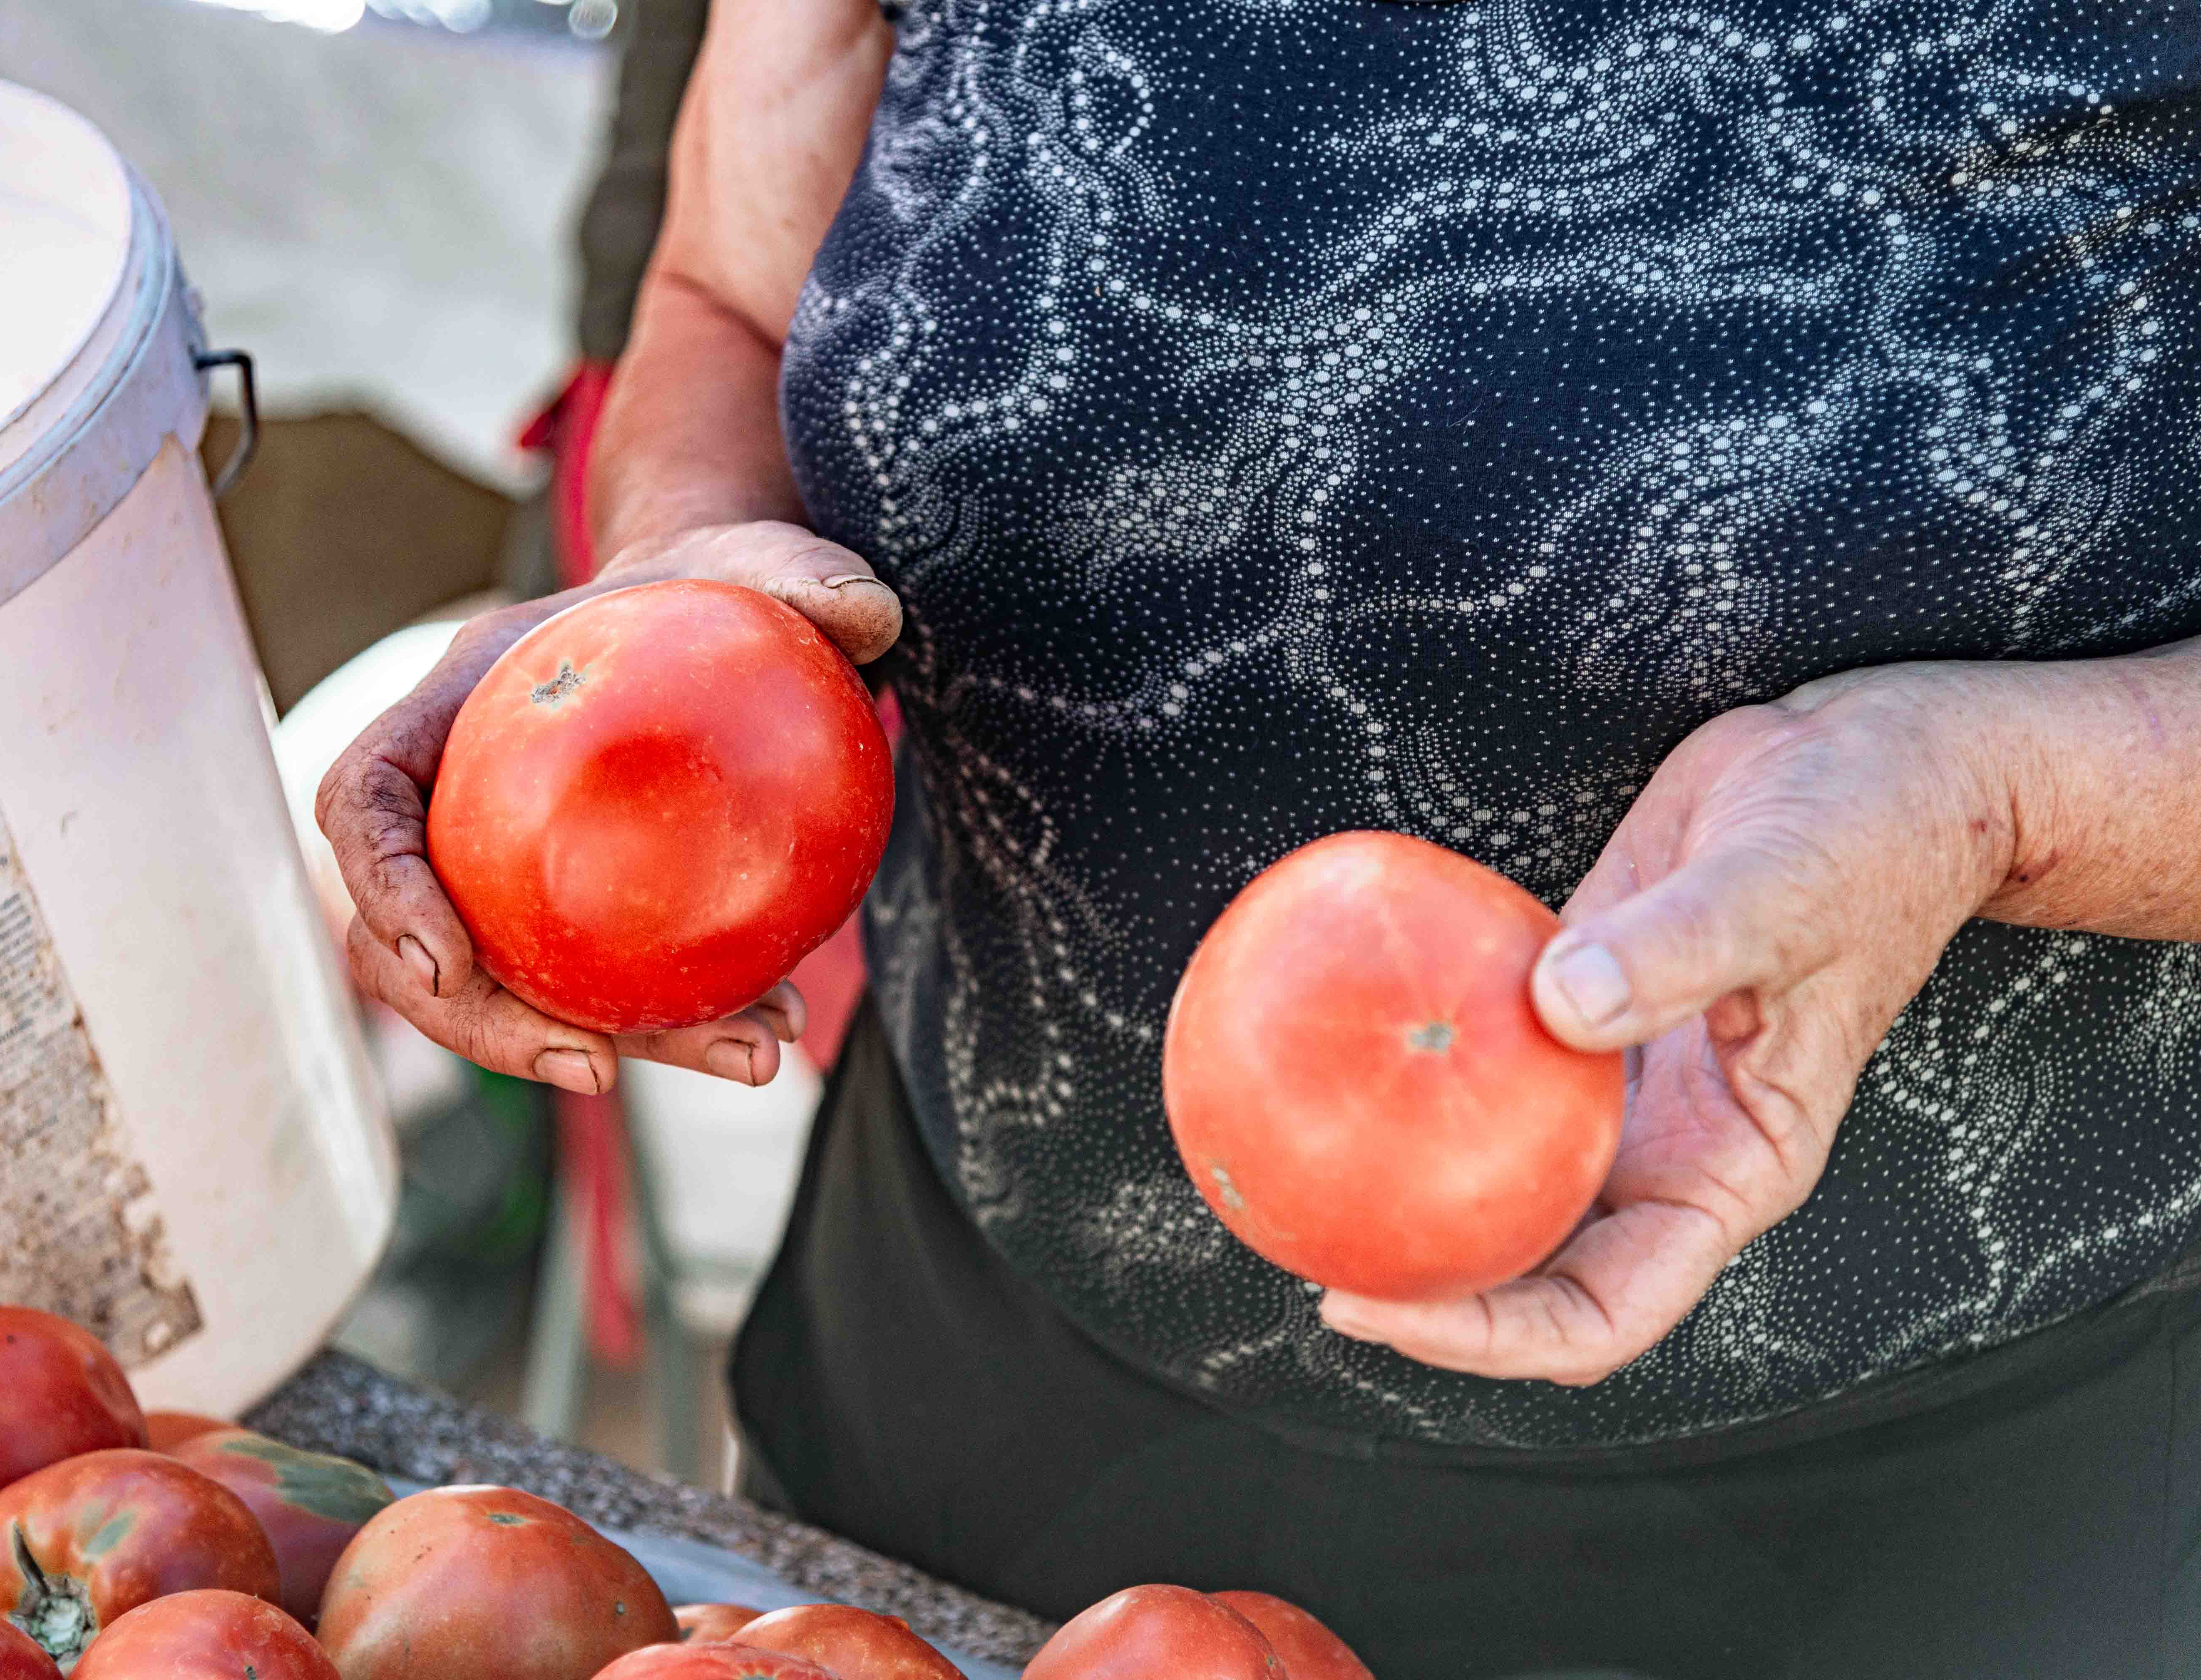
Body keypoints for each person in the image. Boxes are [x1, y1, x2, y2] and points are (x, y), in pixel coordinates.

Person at [319, 1, 2201, 1673]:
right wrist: (665, 638)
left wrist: (1994, 799)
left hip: (1909, 1508)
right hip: (967, 1356)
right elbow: (725, 292)